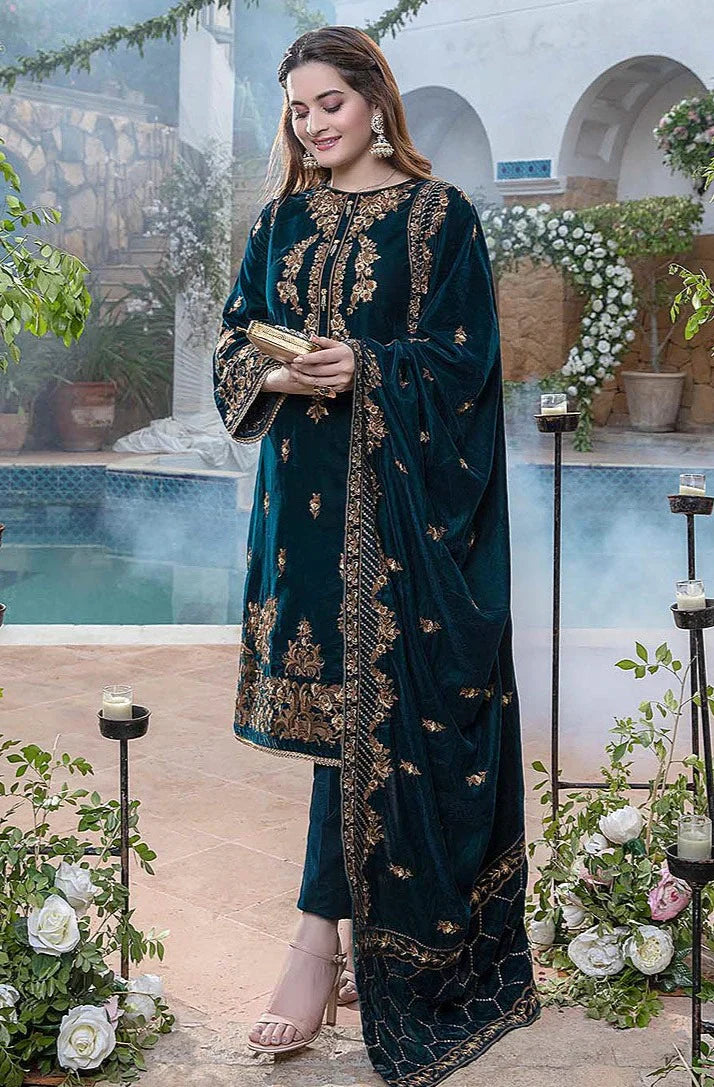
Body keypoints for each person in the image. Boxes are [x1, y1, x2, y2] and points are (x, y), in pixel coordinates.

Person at [212, 24, 539, 1087]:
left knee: (381, 713)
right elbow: (236, 334)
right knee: (337, 726)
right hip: (303, 513)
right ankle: (347, 939)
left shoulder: (441, 218)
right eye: (297, 109)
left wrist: (370, 367)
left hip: (403, 521)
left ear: (375, 100)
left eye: (330, 104)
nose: (313, 125)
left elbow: (466, 365)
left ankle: (318, 946)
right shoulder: (280, 218)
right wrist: (276, 375)